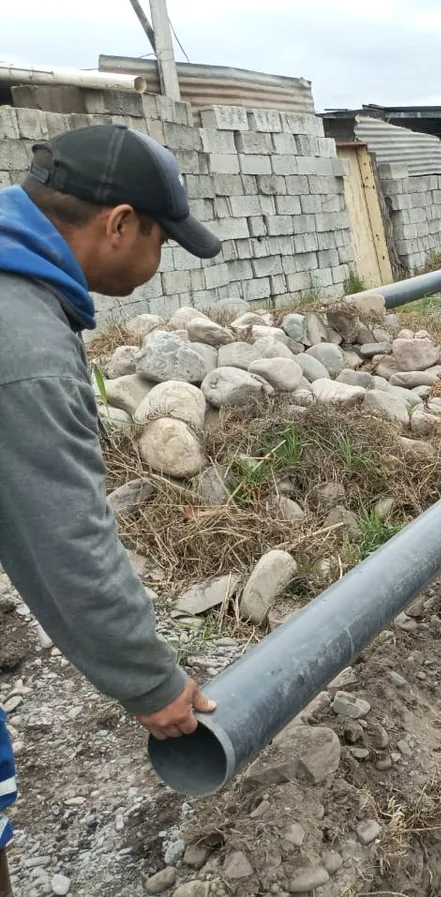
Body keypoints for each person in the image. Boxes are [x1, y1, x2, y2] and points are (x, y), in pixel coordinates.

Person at [0, 123, 222, 835]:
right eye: (163, 240)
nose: (160, 257)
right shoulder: (24, 344)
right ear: (120, 224)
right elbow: (63, 532)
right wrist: (150, 680)